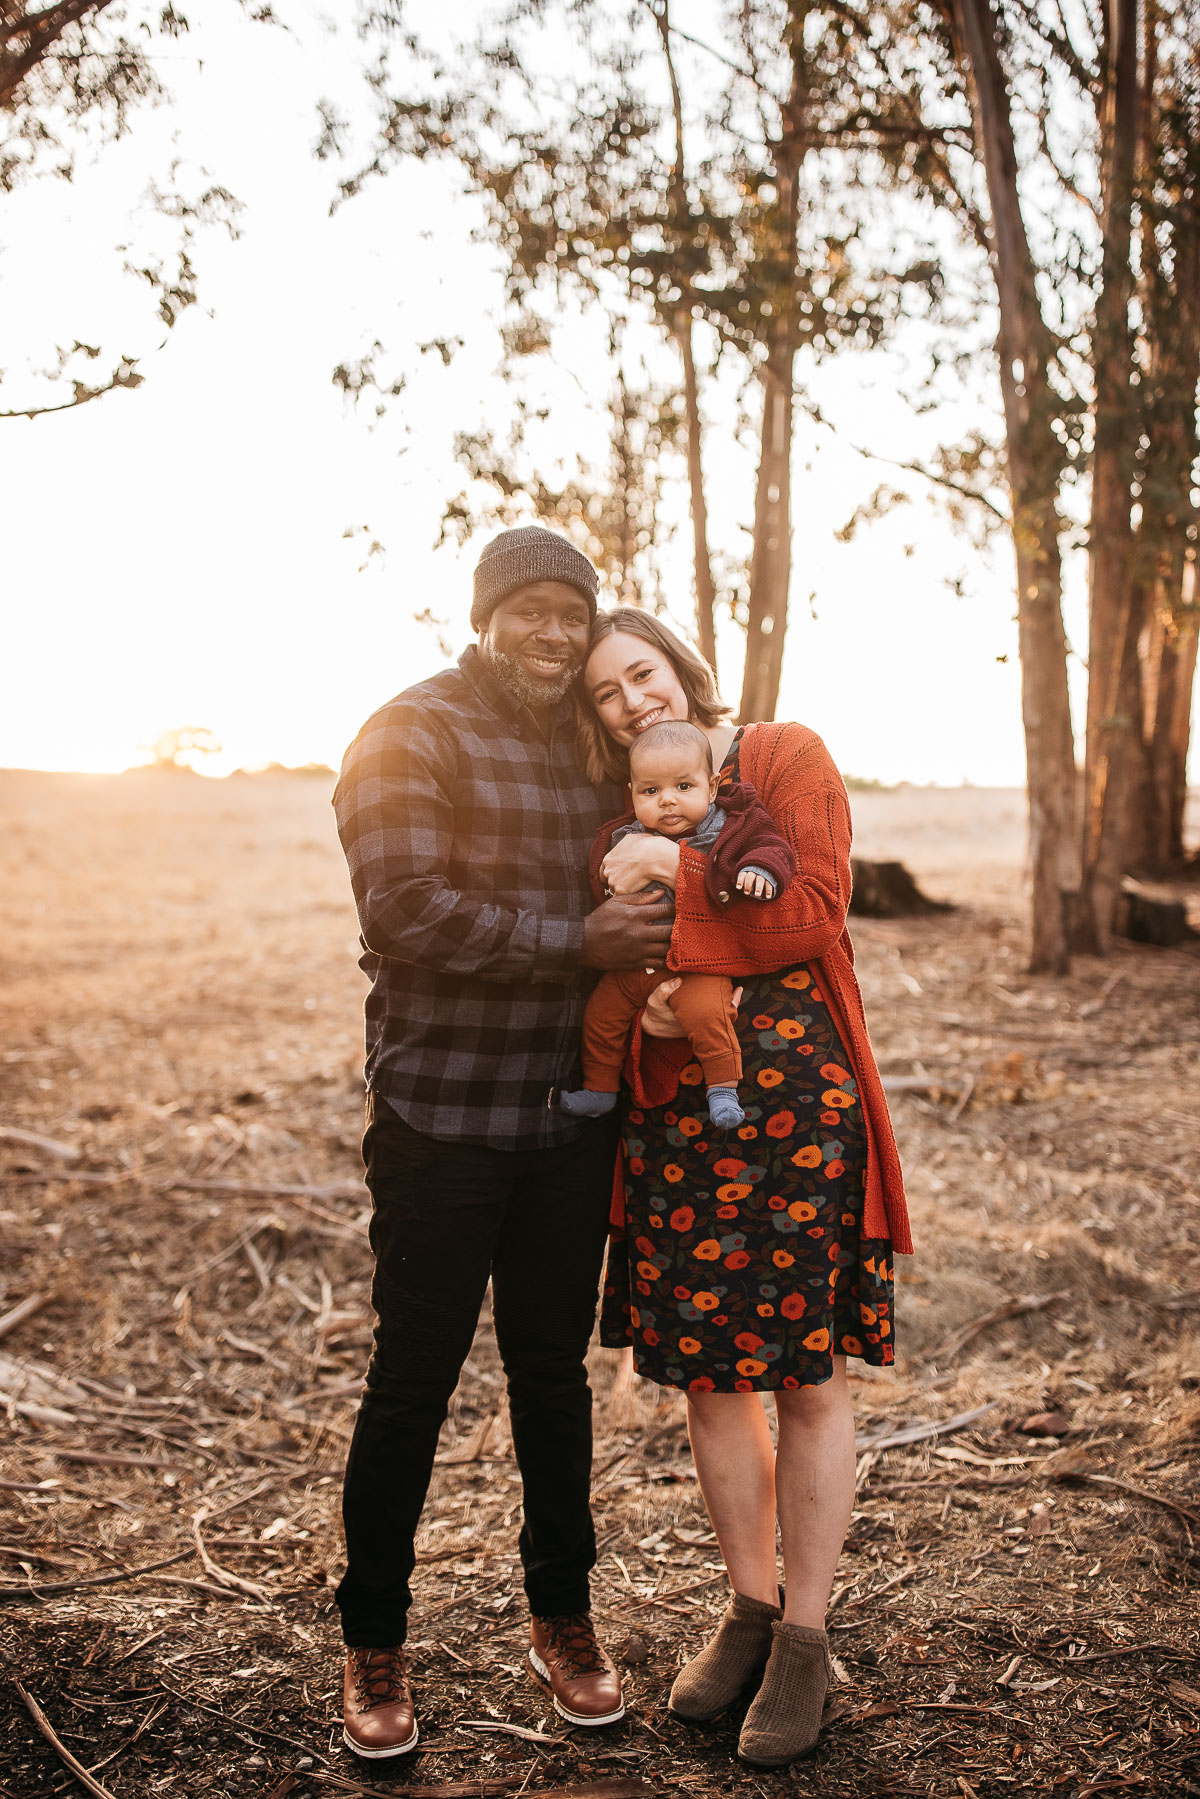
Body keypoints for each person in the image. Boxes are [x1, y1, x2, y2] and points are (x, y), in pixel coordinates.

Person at [331, 529, 675, 1759]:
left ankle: (564, 1617)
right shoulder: (408, 731)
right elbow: (404, 909)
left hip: (567, 1125)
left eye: (568, 613)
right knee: (412, 1382)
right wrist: (576, 940)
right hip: (439, 1118)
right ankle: (374, 1636)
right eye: (528, 608)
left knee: (550, 1376)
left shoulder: (591, 746)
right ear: (486, 617)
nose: (551, 630)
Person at [577, 607, 913, 1771]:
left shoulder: (780, 756)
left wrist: (685, 877)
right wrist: (648, 989)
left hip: (802, 1117)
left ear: (679, 664)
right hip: (679, 1118)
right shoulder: (626, 799)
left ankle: (810, 1640)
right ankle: (752, 1607)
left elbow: (813, 908)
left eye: (642, 672)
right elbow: (609, 941)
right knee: (711, 1383)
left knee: (806, 1376)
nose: (632, 700)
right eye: (608, 694)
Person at [560, 718, 794, 1130]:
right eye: (651, 791)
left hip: (699, 964)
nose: (667, 801)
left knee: (710, 1015)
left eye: (683, 787)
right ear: (632, 794)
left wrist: (762, 870)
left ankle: (722, 1089)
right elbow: (603, 882)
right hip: (637, 964)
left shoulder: (733, 825)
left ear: (713, 785)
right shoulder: (624, 837)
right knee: (600, 1016)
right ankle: (599, 1089)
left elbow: (772, 846)